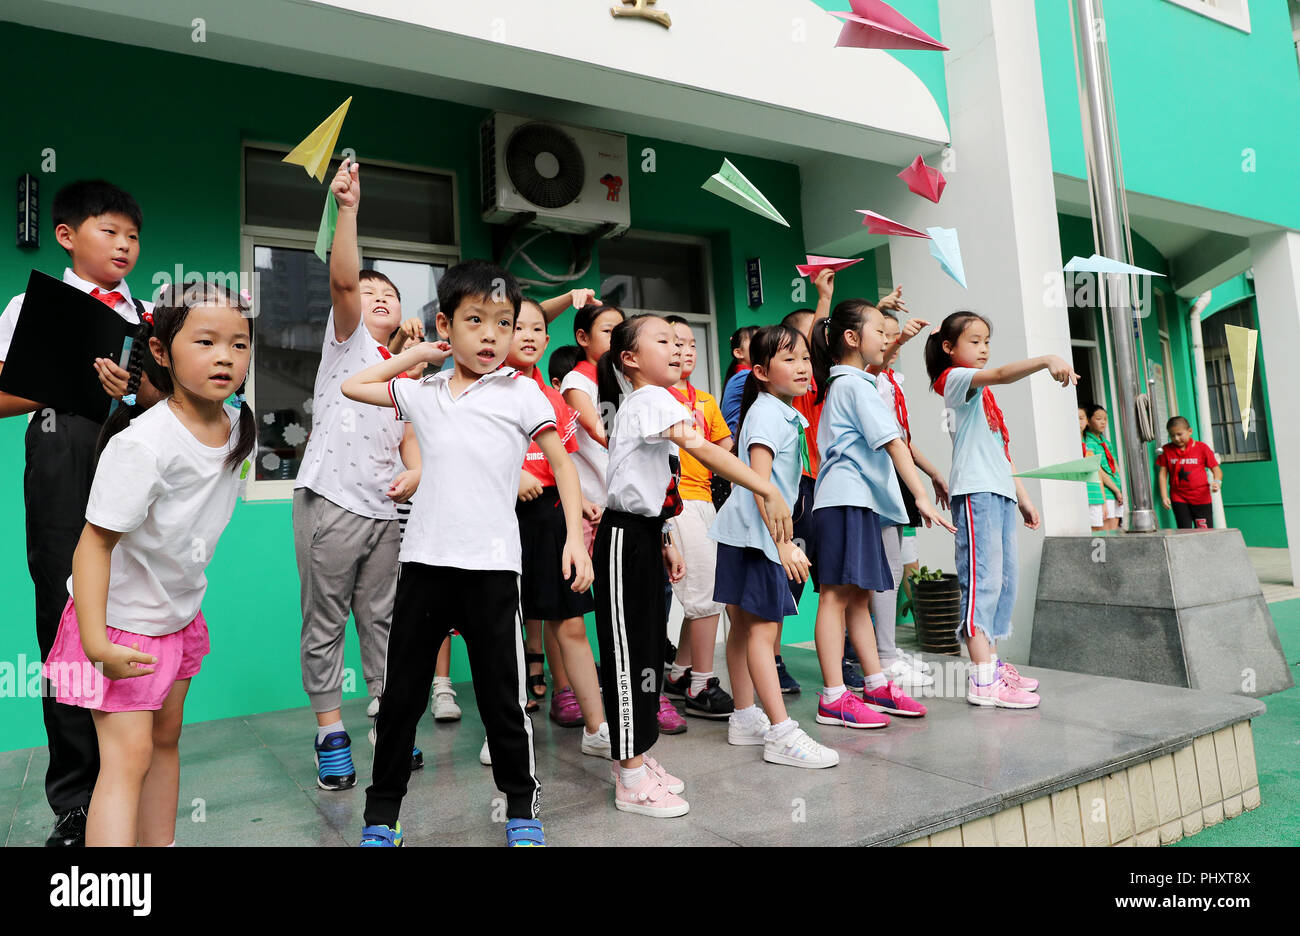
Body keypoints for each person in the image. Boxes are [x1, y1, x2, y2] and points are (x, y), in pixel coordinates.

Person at [343, 259, 593, 848]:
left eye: (503, 324)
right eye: (474, 321)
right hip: (425, 565)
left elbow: (562, 463)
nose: (490, 336)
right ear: (446, 325)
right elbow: (357, 385)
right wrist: (420, 356)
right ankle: (382, 818)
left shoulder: (523, 393)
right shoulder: (424, 393)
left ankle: (521, 811)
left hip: (492, 569)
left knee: (502, 699)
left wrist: (576, 540)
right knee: (401, 699)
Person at [44, 281, 254, 846]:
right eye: (206, 341)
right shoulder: (140, 446)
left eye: (239, 344)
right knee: (127, 759)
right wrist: (95, 644)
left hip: (176, 616)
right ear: (160, 350)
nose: (224, 357)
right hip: (118, 625)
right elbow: (92, 546)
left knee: (165, 741)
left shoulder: (237, 428)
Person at [0, 179, 158, 846]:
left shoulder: (150, 314)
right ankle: (75, 800)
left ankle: (130, 779)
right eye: (108, 232)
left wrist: (137, 391)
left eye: (132, 236)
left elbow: (174, 406)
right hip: (62, 452)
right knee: (65, 619)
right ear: (66, 235)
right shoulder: (25, 306)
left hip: (135, 459)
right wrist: (65, 382)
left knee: (135, 612)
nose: (124, 245)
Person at [594, 314, 792, 817]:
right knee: (628, 656)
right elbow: (701, 448)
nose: (678, 348)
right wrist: (764, 485)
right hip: (621, 539)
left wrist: (663, 538)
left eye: (681, 340)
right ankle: (630, 775)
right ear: (631, 360)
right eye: (663, 341)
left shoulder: (657, 402)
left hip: (640, 535)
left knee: (643, 654)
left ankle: (633, 759)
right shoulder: (649, 399)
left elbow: (648, 481)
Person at [293, 159, 422, 791]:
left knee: (384, 620)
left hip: (387, 510)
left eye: (389, 295)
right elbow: (345, 282)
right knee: (325, 621)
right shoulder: (348, 344)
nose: (377, 297)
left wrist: (414, 473)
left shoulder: (406, 368)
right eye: (370, 293)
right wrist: (347, 210)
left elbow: (409, 437)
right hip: (333, 501)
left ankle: (386, 719)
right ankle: (328, 733)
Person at [810, 300, 953, 730]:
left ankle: (874, 684)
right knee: (835, 597)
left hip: (860, 501)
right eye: (879, 331)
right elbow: (894, 443)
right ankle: (834, 696)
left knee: (857, 598)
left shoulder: (856, 382)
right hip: (844, 501)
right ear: (852, 339)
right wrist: (921, 496)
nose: (887, 339)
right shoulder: (855, 386)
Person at [925, 311, 1078, 708]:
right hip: (974, 492)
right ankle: (982, 680)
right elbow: (1003, 373)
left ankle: (992, 666)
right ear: (949, 347)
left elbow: (1001, 451)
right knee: (982, 583)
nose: (983, 349)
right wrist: (1046, 359)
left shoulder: (985, 397)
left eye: (987, 341)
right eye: (974, 341)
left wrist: (1022, 497)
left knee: (1004, 583)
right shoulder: (955, 380)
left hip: (997, 493)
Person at [711, 324, 838, 768]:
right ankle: (782, 734)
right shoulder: (767, 415)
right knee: (764, 633)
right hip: (758, 537)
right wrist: (781, 545)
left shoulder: (779, 411)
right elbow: (761, 485)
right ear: (762, 372)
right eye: (790, 360)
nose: (803, 366)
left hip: (744, 534)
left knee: (746, 628)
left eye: (805, 357)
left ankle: (745, 718)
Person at [510, 298, 609, 754]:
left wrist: (579, 511)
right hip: (501, 518)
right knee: (504, 628)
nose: (528, 336)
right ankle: (506, 732)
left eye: (537, 329)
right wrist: (513, 476)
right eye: (518, 327)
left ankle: (597, 728)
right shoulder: (486, 391)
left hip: (552, 516)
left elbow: (564, 465)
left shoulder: (552, 398)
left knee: (570, 623)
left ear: (548, 341)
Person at [867, 308, 947, 690]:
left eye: (895, 336)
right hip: (875, 478)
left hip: (896, 474)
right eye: (884, 335)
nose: (891, 342)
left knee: (896, 566)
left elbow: (903, 440)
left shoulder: (895, 379)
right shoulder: (864, 379)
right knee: (884, 566)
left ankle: (887, 650)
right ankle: (881, 656)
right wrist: (902, 339)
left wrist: (932, 473)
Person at [661, 316, 736, 720]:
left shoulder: (705, 400)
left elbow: (723, 446)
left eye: (690, 344)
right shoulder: (656, 397)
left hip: (705, 499)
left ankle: (679, 675)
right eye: (674, 343)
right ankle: (701, 683)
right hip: (678, 502)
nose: (685, 351)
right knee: (706, 595)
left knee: (706, 592)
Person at [1157, 415, 1222, 529]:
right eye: (1172, 436)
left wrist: (1217, 482)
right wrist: (1164, 496)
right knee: (1184, 531)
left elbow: (1216, 469)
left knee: (1204, 531)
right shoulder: (1166, 450)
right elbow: (1162, 474)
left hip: (1201, 497)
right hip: (1178, 497)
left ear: (1189, 431)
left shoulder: (1202, 448)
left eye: (1179, 434)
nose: (1176, 438)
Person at [1083, 404, 1124, 531]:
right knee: (1106, 531)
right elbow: (1099, 470)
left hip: (1115, 489)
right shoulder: (1089, 443)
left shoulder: (1105, 442)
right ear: (1088, 421)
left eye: (1105, 419)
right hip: (1106, 490)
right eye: (1099, 418)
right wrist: (1115, 489)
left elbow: (1115, 465)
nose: (1103, 422)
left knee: (1115, 527)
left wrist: (1120, 487)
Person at [720, 325, 760, 434]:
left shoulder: (742, 376)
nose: (763, 345)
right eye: (756, 341)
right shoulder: (745, 377)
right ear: (739, 353)